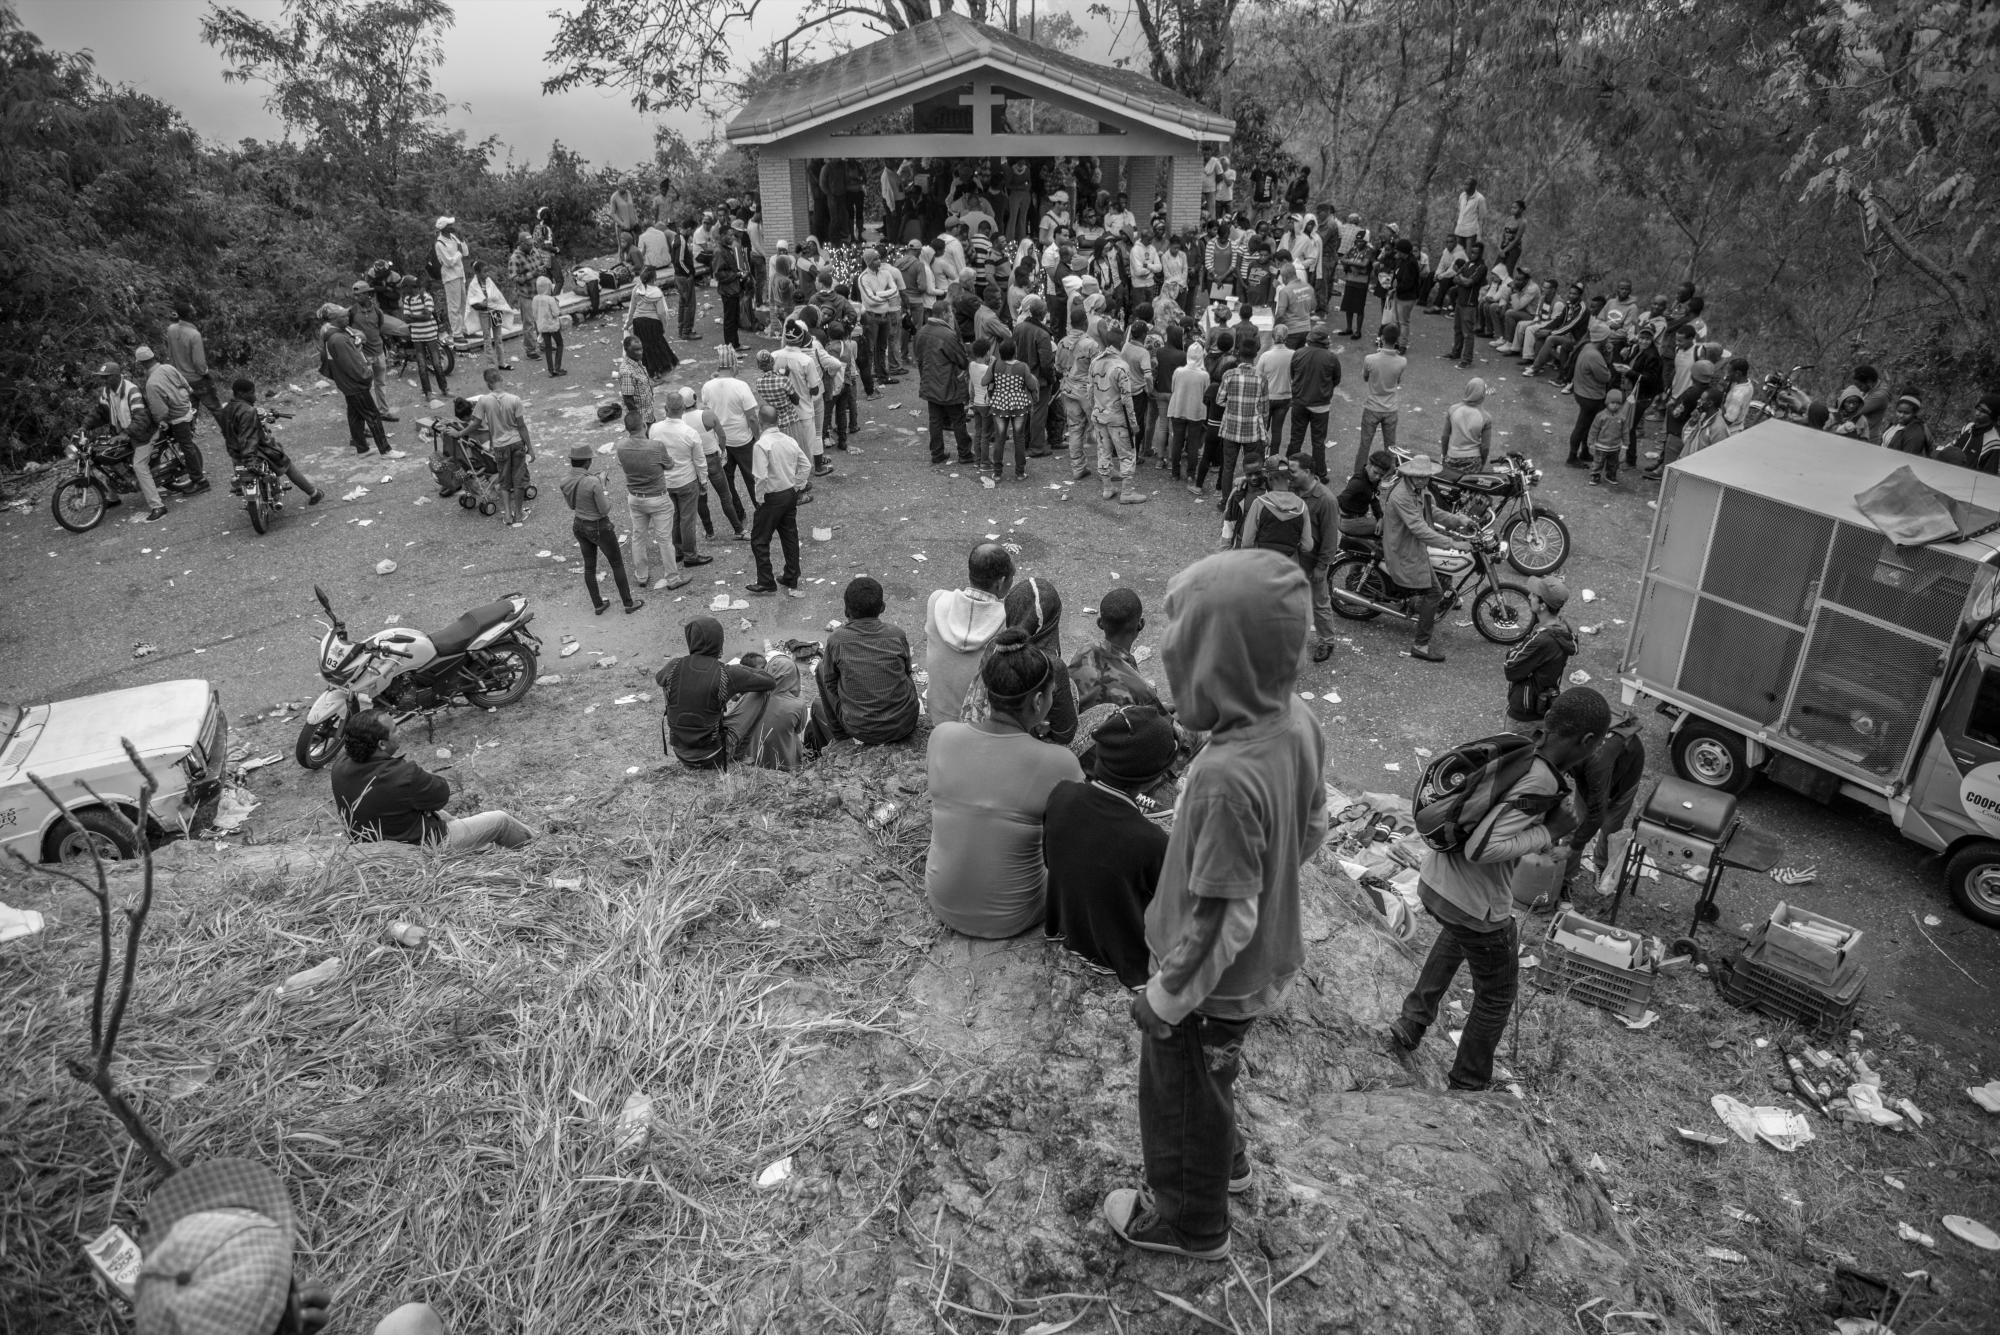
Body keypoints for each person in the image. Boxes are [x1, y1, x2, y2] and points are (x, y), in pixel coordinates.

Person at [1104, 549, 1328, 1261]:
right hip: (1262, 960)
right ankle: (1226, 1161)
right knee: (1214, 1074)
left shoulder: (1225, 778)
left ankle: (1187, 1221)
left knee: (1178, 1093)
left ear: (1217, 664)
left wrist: (1165, 997)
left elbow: (1220, 918)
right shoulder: (1293, 722)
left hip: (1208, 986)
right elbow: (1314, 825)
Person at [1388, 688, 1609, 1091]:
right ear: (1588, 742)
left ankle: (1412, 1022)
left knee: (1457, 936)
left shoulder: (1519, 751)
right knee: (1496, 995)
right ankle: (1469, 1084)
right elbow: (1483, 847)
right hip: (1476, 903)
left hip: (1438, 883)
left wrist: (1540, 838)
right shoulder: (1541, 781)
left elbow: (1490, 823)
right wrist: (1550, 830)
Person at [925, 629, 1086, 938]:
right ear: (1038, 701)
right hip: (1015, 914)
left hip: (942, 900)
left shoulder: (942, 736)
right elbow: (1077, 839)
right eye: (1052, 694)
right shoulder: (1058, 763)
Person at [1044, 704, 1178, 985]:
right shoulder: (1151, 840)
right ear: (1153, 778)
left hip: (1068, 930)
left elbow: (1051, 861)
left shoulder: (1061, 794)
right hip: (1120, 955)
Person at [332, 712, 533, 849]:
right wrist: (422, 775)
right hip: (421, 849)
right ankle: (541, 849)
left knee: (446, 816)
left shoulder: (339, 767)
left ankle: (476, 845)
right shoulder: (403, 775)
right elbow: (441, 794)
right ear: (382, 744)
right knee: (500, 820)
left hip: (373, 844)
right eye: (394, 729)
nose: (399, 731)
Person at [961, 576, 1081, 744]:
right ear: (1053, 618)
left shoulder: (997, 647)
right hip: (1026, 746)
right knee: (1073, 689)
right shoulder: (1052, 666)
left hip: (984, 734)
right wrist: (1038, 723)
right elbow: (1065, 734)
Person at [1381, 455, 1476, 662]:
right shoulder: (1401, 496)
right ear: (1410, 475)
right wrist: (1453, 544)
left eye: (1426, 477)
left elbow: (1431, 511)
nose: (1424, 480)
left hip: (1415, 547)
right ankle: (1420, 645)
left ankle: (1415, 605)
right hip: (1404, 550)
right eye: (1419, 477)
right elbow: (1420, 529)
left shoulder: (1419, 489)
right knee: (1434, 593)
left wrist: (1458, 520)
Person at [656, 617, 777, 770]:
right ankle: (738, 756)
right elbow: (769, 681)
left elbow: (659, 678)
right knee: (763, 693)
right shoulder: (726, 673)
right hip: (713, 755)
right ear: (719, 642)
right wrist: (740, 672)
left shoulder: (674, 666)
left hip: (680, 751)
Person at [818, 577, 922, 745]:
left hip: (860, 730)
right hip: (904, 724)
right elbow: (907, 672)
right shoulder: (897, 635)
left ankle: (840, 736)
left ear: (846, 610)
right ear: (882, 607)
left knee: (821, 670)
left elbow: (830, 683)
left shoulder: (836, 640)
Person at [925, 542, 1014, 724]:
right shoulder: (1008, 618)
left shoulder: (937, 601)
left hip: (938, 716)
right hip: (978, 726)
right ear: (1001, 582)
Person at [1565, 708, 1646, 894]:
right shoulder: (1570, 745)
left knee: (1609, 826)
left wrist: (1573, 844)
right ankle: (1567, 873)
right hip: (1596, 774)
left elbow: (1597, 811)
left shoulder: (1598, 760)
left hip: (1626, 777)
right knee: (1576, 821)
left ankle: (1601, 863)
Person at [614, 392, 688, 593]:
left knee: (638, 536)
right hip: (657, 496)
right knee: (665, 539)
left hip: (635, 497)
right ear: (644, 426)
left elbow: (622, 464)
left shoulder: (620, 446)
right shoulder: (655, 446)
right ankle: (672, 577)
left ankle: (641, 576)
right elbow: (670, 465)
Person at [561, 442, 644, 615]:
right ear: (587, 462)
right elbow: (604, 509)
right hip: (599, 527)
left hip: (579, 525)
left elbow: (571, 505)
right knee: (617, 564)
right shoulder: (592, 482)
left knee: (589, 567)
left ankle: (598, 604)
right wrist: (603, 488)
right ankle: (628, 603)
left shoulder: (565, 481)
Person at [220, 377, 322, 506]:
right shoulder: (248, 411)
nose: (254, 396)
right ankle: (314, 493)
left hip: (235, 452)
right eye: (251, 392)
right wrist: (250, 458)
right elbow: (249, 438)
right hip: (256, 451)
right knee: (285, 462)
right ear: (241, 393)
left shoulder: (226, 409)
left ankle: (242, 486)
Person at [85, 360, 166, 520]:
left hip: (144, 434)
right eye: (102, 377)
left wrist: (125, 434)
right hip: (125, 433)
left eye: (107, 377)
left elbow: (141, 418)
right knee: (108, 458)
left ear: (116, 376)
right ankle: (113, 498)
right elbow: (99, 413)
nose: (104, 381)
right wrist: (84, 426)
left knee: (139, 466)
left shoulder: (131, 390)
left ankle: (158, 506)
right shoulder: (107, 392)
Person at [745, 404, 809, 597]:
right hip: (789, 493)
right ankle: (791, 575)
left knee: (759, 539)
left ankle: (766, 581)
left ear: (761, 422)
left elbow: (761, 477)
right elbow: (805, 465)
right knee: (789, 536)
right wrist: (797, 486)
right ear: (778, 421)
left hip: (772, 497)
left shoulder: (762, 445)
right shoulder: (789, 440)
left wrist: (759, 499)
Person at [1068, 588, 1162, 712]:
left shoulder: (1083, 652)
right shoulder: (1142, 692)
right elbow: (1167, 725)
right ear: (1141, 624)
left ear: (1100, 623)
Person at [318, 304, 393, 459]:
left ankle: (362, 449)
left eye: (347, 316)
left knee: (355, 416)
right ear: (334, 319)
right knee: (373, 416)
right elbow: (352, 365)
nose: (347, 318)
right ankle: (386, 450)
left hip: (346, 383)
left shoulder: (333, 333)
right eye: (343, 317)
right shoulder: (338, 339)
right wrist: (366, 375)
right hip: (355, 384)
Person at [1285, 455, 1340, 663]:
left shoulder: (1326, 500)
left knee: (1319, 602)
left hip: (1313, 561)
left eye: (1293, 471)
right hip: (1293, 558)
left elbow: (1330, 538)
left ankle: (1326, 641)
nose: (1289, 475)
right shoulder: (1291, 490)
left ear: (1307, 472)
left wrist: (1322, 566)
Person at [135, 346, 212, 492]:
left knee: (186, 447)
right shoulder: (168, 368)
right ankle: (193, 477)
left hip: (177, 418)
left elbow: (160, 411)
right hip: (188, 410)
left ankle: (200, 481)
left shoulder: (151, 383)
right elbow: (187, 387)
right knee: (187, 446)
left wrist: (160, 421)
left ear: (142, 363)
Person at [650, 388, 711, 570]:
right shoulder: (689, 433)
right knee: (687, 519)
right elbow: (699, 461)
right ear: (683, 409)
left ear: (665, 409)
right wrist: (704, 481)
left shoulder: (654, 429)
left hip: (665, 481)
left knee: (674, 517)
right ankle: (690, 554)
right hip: (686, 480)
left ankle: (677, 551)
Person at [1089, 321, 1147, 503]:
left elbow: (1089, 391)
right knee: (1127, 454)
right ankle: (1127, 493)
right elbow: (1127, 399)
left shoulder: (1095, 362)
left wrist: (1094, 411)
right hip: (1118, 418)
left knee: (1103, 451)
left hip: (1099, 415)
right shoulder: (1121, 367)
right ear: (1121, 343)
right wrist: (1134, 423)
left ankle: (1107, 488)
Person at [1504, 577, 1574, 724]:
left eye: (1534, 595)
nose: (1529, 596)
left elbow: (1511, 668)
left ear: (1543, 606)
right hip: (1542, 703)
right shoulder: (1561, 627)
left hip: (1525, 713)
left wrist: (1515, 650)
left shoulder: (1543, 640)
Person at [724, 651, 809, 770]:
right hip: (784, 764)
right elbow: (799, 729)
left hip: (751, 759)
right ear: (794, 675)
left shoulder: (749, 694)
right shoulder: (798, 704)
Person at [914, 306, 974, 466]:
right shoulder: (948, 335)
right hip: (948, 382)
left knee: (935, 420)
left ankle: (937, 453)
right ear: (944, 314)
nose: (951, 315)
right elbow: (961, 360)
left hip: (929, 381)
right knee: (958, 418)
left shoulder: (922, 331)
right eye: (950, 312)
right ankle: (965, 453)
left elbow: (918, 357)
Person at [473, 366, 532, 526]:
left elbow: (477, 423)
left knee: (505, 481)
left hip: (500, 446)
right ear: (501, 379)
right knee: (518, 480)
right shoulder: (514, 399)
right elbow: (522, 426)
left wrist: (459, 433)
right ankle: (519, 514)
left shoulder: (484, 401)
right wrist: (530, 449)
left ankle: (507, 515)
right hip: (516, 443)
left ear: (487, 384)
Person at [1287, 323, 1340, 477]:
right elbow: (1336, 379)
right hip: (1321, 406)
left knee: (1296, 438)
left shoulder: (1298, 353)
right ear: (1325, 342)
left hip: (1299, 403)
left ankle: (1289, 470)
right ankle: (1320, 473)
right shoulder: (1331, 357)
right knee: (1318, 442)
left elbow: (1293, 375)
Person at [163, 304, 224, 430]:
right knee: (216, 409)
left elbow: (170, 354)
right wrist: (205, 373)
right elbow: (199, 363)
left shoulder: (171, 330)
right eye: (193, 311)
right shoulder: (194, 334)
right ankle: (230, 434)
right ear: (190, 315)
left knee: (190, 413)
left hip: (180, 380)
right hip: (197, 379)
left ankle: (187, 441)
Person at [1353, 324, 1405, 470]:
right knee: (1390, 446)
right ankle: (1390, 474)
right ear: (1397, 340)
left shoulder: (1370, 359)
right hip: (1391, 408)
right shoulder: (1402, 361)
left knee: (1365, 444)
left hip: (1372, 407)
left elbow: (1365, 378)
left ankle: (1358, 473)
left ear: (1381, 338)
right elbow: (1397, 380)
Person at [1566, 321, 1614, 465]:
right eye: (1608, 337)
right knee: (1582, 426)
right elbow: (1606, 377)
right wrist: (1609, 355)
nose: (1609, 340)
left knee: (1587, 425)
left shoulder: (1587, 347)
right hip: (1590, 396)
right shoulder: (1594, 355)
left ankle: (1584, 452)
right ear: (1603, 339)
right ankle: (1572, 457)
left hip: (1581, 392)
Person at [399, 275, 450, 406]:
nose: (403, 291)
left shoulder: (426, 297)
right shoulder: (407, 300)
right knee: (422, 366)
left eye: (404, 288)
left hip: (430, 336)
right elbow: (406, 318)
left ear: (410, 287)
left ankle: (444, 389)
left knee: (437, 364)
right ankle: (428, 393)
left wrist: (413, 316)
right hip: (417, 337)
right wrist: (419, 316)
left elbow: (427, 316)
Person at [625, 266, 679, 378]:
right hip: (652, 323)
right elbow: (661, 313)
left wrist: (628, 323)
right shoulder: (656, 292)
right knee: (657, 345)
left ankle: (650, 371)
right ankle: (661, 370)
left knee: (644, 346)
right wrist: (664, 325)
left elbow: (632, 308)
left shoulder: (636, 289)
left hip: (638, 323)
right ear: (654, 277)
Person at [1445, 241, 1488, 368]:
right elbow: (1455, 277)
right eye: (1471, 252)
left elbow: (1470, 282)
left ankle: (1467, 359)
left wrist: (1462, 280)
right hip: (1460, 301)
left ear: (1480, 254)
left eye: (1475, 253)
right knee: (1457, 330)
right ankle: (1456, 353)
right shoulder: (1468, 263)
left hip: (1470, 303)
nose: (1472, 255)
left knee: (1468, 333)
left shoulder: (1481, 267)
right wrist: (1462, 280)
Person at [1440, 378, 1494, 474]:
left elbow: (1445, 436)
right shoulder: (1486, 417)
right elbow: (1485, 447)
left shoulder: (1453, 410)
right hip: (1473, 461)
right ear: (1482, 395)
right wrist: (1482, 463)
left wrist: (1445, 456)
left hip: (1452, 458)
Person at [433, 217, 469, 341]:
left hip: (460, 274)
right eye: (450, 224)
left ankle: (463, 329)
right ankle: (457, 333)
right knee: (454, 305)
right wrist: (458, 252)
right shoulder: (439, 243)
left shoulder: (453, 237)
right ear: (444, 228)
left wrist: (462, 240)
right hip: (450, 277)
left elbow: (465, 253)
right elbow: (448, 262)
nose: (453, 226)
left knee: (463, 303)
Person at [1587, 386, 1631, 484]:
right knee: (1598, 462)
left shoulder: (1622, 417)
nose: (1615, 405)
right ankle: (1595, 475)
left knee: (1613, 464)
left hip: (1615, 447)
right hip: (1601, 446)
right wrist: (1591, 443)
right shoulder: (1601, 416)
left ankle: (1610, 475)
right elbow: (1594, 430)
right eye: (1613, 403)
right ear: (1607, 403)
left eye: (1618, 403)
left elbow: (1625, 431)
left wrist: (1625, 445)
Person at [1946, 393, 2000, 472]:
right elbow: (1951, 448)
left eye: (1983, 411)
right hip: (1947, 474)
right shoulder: (1967, 428)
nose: (1977, 413)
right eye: (1978, 408)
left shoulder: (1993, 443)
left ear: (1993, 416)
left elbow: (1988, 476)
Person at [531, 276, 566, 378]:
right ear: (548, 287)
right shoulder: (551, 299)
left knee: (548, 348)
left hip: (542, 327)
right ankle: (557, 368)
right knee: (560, 344)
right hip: (553, 326)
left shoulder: (535, 299)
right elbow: (556, 313)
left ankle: (550, 370)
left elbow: (534, 314)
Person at [1453, 177, 1488, 248]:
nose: (1464, 186)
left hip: (1471, 231)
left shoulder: (1480, 198)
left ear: (1473, 186)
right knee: (1459, 253)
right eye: (1464, 184)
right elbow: (1460, 211)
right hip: (1459, 230)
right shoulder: (1462, 195)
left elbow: (1482, 217)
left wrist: (1479, 234)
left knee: (1469, 255)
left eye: (1467, 184)